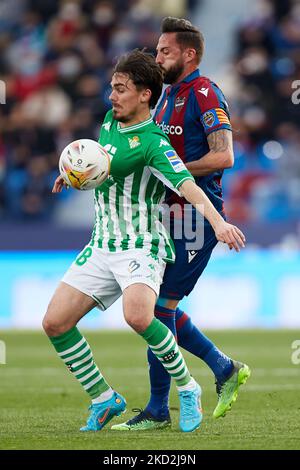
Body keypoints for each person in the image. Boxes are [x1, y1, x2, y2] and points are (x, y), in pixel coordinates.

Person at [43, 49, 245, 433]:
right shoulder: (108, 122)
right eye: (112, 88)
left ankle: (188, 389)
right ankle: (104, 399)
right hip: (102, 244)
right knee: (55, 322)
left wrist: (218, 224)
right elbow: (99, 163)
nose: (112, 96)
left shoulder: (154, 142)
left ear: (144, 95)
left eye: (120, 89)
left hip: (142, 244)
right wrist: (72, 176)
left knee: (139, 316)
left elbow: (185, 183)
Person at [112, 18, 251, 432]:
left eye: (164, 51)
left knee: (158, 309)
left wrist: (172, 171)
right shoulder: (167, 94)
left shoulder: (205, 93)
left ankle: (158, 408)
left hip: (195, 217)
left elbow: (224, 156)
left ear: (189, 54)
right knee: (160, 308)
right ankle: (223, 368)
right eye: (156, 51)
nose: (157, 58)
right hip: (164, 215)